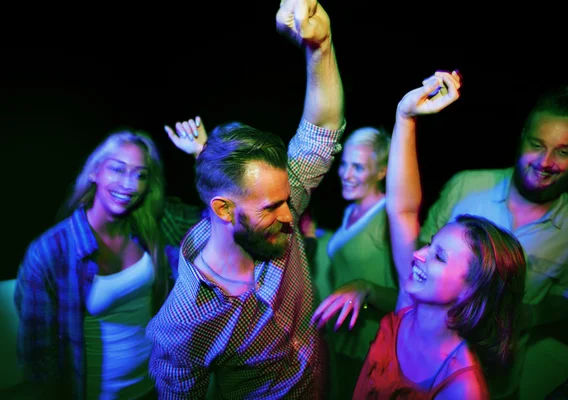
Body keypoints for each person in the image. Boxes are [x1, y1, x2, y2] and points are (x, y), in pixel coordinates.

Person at [144, 0, 345, 398]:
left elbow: (321, 127)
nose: (291, 216)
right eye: (272, 208)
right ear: (222, 209)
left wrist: (320, 45)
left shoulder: (269, 213)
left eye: (287, 200)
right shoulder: (183, 323)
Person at [341, 71, 526, 399]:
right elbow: (403, 210)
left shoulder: (461, 387)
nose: (418, 254)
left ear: (472, 291)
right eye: (430, 246)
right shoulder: (407, 304)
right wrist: (405, 115)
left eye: (438, 256)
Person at [418, 80, 568, 397]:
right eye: (537, 144)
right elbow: (419, 250)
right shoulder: (466, 186)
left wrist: (531, 315)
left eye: (564, 151)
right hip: (419, 363)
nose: (545, 162)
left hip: (497, 382)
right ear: (521, 138)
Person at [13, 129, 203, 399]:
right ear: (94, 172)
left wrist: (202, 152)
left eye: (141, 174)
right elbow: (37, 355)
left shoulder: (154, 225)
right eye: (118, 169)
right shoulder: (51, 251)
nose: (129, 185)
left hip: (158, 387)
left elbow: (218, 221)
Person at [310, 126, 398, 399]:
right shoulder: (351, 210)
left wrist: (367, 291)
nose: (345, 174)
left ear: (381, 171)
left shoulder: (389, 219)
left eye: (357, 167)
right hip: (339, 345)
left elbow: (405, 297)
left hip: (370, 352)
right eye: (344, 164)